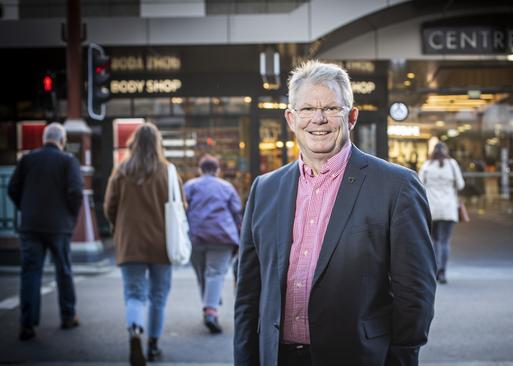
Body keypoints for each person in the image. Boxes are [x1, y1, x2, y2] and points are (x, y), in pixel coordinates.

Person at [234, 61, 436, 366]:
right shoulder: (265, 189)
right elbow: (249, 294)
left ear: (351, 116)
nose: (318, 119)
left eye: (331, 108)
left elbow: (415, 295)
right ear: (291, 118)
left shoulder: (397, 186)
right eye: (306, 109)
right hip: (275, 358)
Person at [104, 122, 183, 365]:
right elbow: (182, 207)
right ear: (158, 144)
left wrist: (119, 228)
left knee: (134, 295)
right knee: (158, 296)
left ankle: (135, 330)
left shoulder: (121, 171)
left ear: (134, 144)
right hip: (163, 244)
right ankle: (153, 345)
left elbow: (109, 207)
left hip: (130, 245)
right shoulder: (168, 171)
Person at [8, 122, 83, 341]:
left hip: (31, 226)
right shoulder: (68, 161)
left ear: (44, 139)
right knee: (64, 271)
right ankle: (68, 316)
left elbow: (13, 188)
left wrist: (27, 208)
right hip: (59, 226)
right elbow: (76, 193)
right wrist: (69, 217)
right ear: (63, 140)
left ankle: (27, 324)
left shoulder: (28, 159)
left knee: (31, 273)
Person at [184, 154, 242, 334]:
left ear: (200, 170)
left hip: (196, 236)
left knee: (203, 274)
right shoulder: (227, 187)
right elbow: (237, 213)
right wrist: (241, 236)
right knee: (215, 273)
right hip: (222, 237)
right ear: (217, 170)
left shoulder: (190, 186)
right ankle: (211, 309)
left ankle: (210, 308)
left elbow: (182, 210)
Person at [418, 142, 465, 284]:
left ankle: (433, 270)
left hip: (431, 209)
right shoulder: (452, 164)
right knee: (444, 241)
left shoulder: (427, 165)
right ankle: (443, 271)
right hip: (448, 209)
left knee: (434, 241)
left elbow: (418, 183)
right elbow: (461, 185)